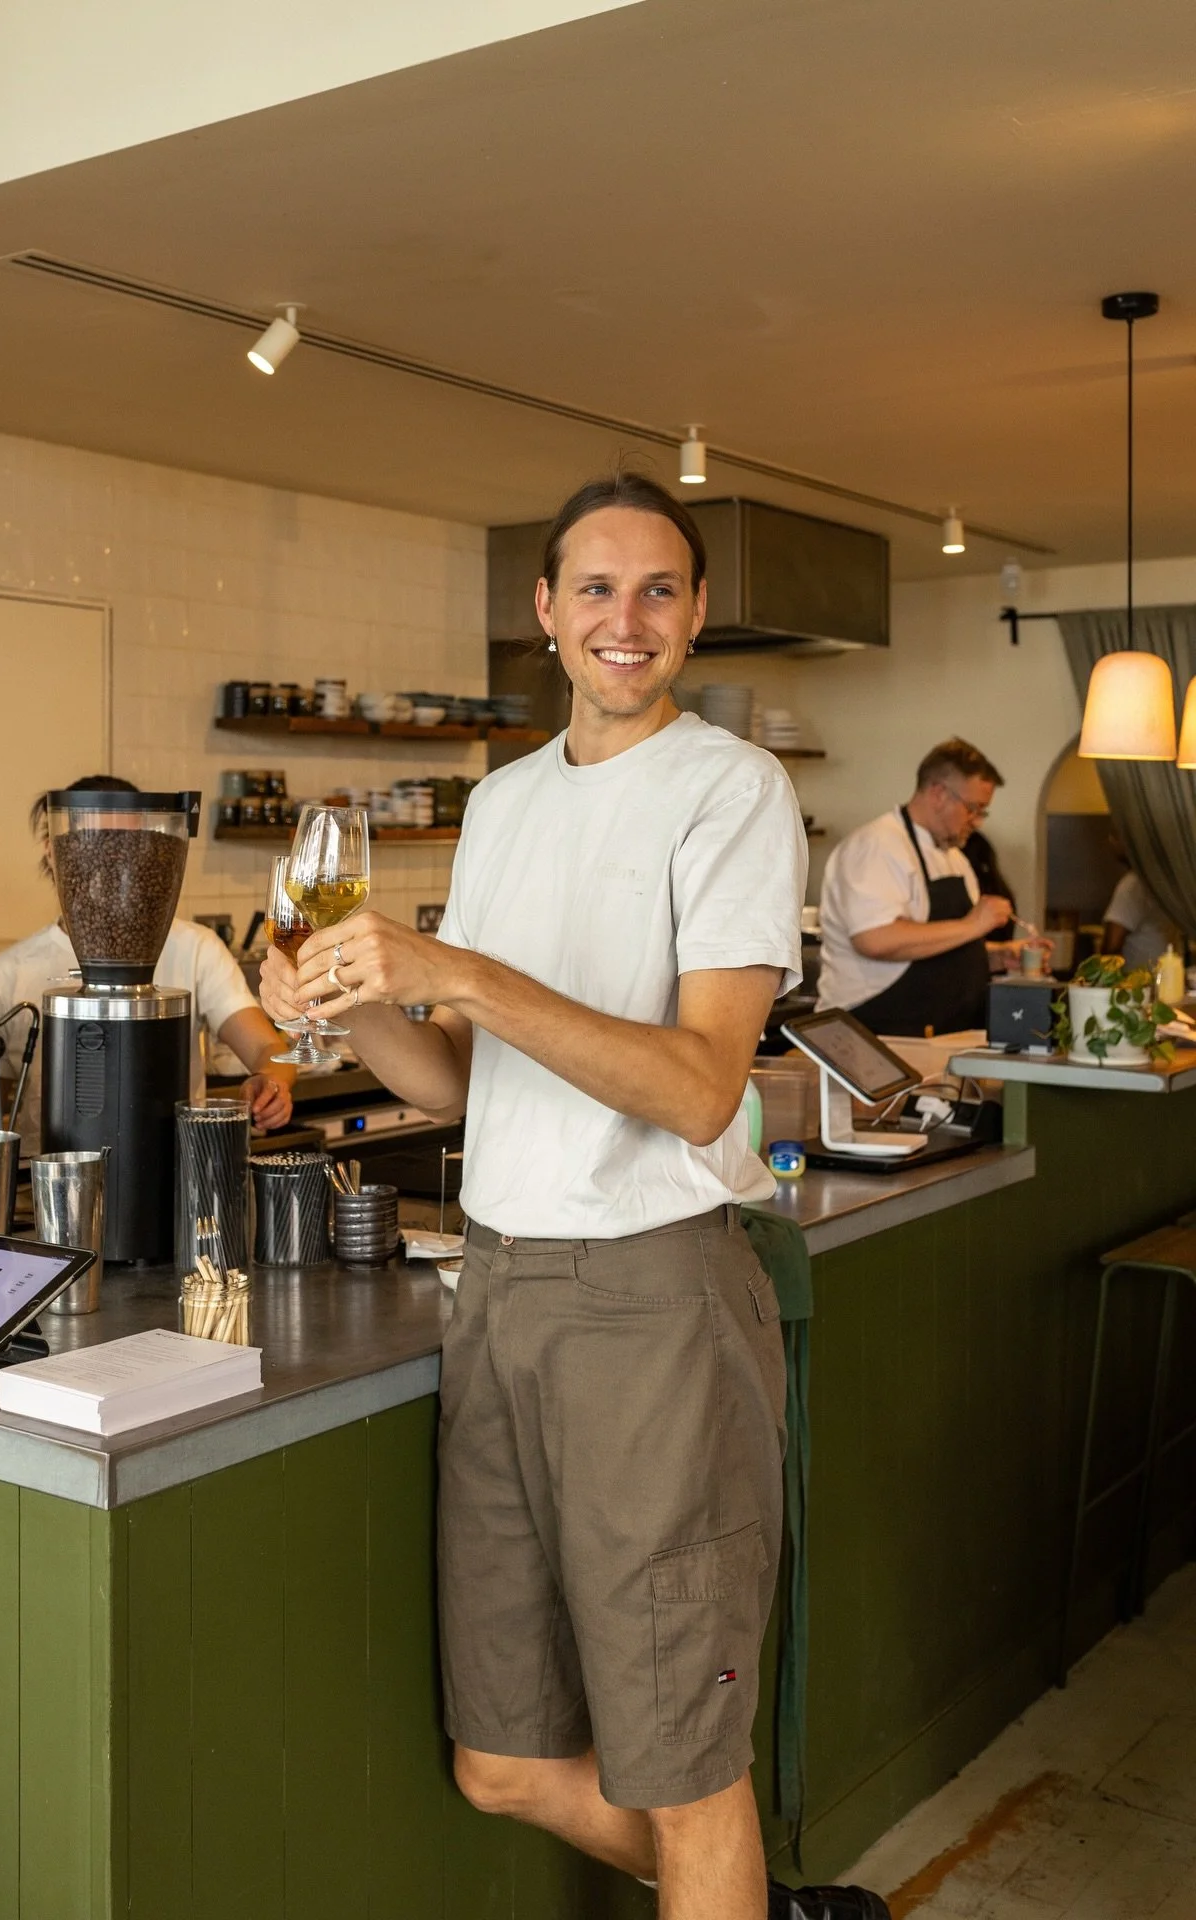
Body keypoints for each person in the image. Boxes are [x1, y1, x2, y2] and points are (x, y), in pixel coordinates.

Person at [261, 474, 886, 1920]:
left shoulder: (732, 791)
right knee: (500, 1759)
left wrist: (458, 967)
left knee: (684, 1765)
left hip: (655, 1302)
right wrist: (347, 1002)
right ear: (544, 613)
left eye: (659, 590)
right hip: (505, 1293)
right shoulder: (499, 805)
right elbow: (456, 1087)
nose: (627, 618)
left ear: (696, 619)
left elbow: (700, 1085)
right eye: (594, 589)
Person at [0, 775, 294, 1147]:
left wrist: (272, 1081)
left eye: (132, 844)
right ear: (55, 851)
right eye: (97, 844)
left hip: (172, 1172)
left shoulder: (195, 947)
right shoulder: (10, 971)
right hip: (49, 1182)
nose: (116, 859)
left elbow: (268, 1049)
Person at [817, 739, 1016, 1037]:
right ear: (938, 793)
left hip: (938, 1036)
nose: (977, 822)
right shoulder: (877, 846)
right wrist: (973, 925)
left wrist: (995, 954)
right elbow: (876, 940)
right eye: (973, 809)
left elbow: (937, 947)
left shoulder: (954, 858)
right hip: (871, 1033)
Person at [1101, 852, 1179, 974]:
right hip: (1164, 979)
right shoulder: (1168, 881)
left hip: (1136, 984)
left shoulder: (1133, 883)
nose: (1111, 840)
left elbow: (1112, 946)